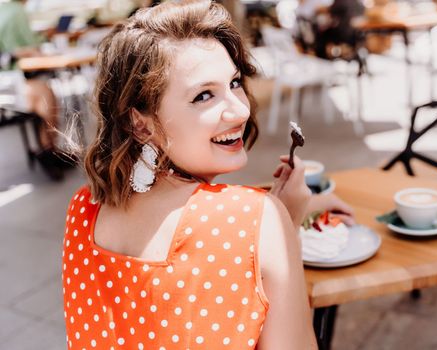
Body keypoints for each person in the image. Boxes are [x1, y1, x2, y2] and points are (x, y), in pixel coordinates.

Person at [62, 1, 353, 348]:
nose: (239, 108)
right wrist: (281, 224)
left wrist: (275, 222)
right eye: (203, 96)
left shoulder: (82, 211)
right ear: (139, 123)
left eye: (234, 83)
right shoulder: (255, 219)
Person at [0, 0, 72, 180]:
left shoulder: (5, 10)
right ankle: (48, 150)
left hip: (8, 80)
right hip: (8, 84)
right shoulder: (17, 13)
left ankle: (49, 150)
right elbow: (27, 47)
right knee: (46, 96)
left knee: (44, 92)